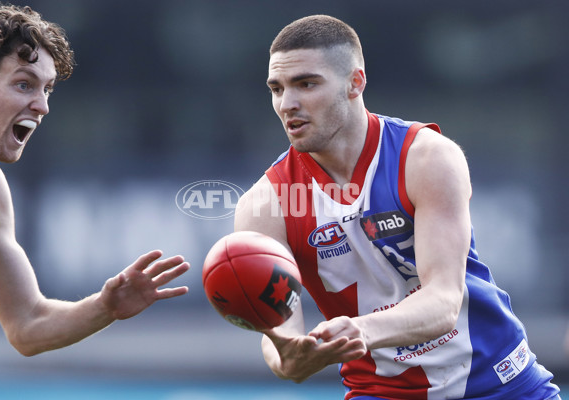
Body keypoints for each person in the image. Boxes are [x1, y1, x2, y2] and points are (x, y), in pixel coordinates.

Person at [234, 15, 560, 399]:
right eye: (277, 88)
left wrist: (360, 330)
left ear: (355, 83)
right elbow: (282, 339)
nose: (288, 103)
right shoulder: (263, 205)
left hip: (501, 382)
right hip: (381, 392)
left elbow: (442, 303)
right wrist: (289, 357)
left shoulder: (426, 158)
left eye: (306, 84)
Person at [0, 4, 189, 362]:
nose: (42, 106)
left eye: (47, 90)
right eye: (24, 84)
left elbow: (28, 326)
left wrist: (104, 306)